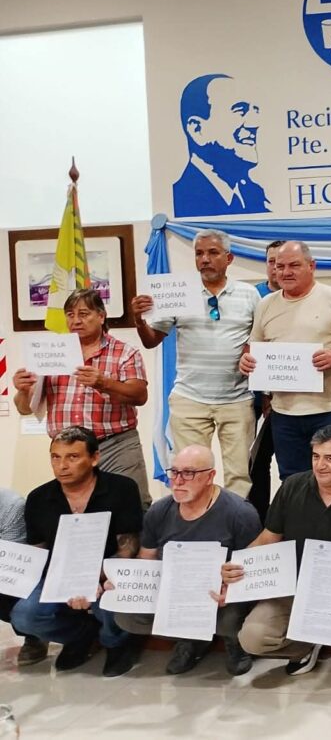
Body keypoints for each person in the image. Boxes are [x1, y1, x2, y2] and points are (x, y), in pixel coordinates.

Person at [222, 426, 331, 685]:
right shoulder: (292, 487)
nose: (320, 465)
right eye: (316, 456)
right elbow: (267, 539)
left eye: (330, 458)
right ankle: (305, 646)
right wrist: (235, 565)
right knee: (252, 638)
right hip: (295, 582)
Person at [131, 229, 261, 497]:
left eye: (213, 253)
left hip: (236, 399)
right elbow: (152, 341)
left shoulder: (249, 294)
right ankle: (195, 520)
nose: (205, 259)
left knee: (239, 474)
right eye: (199, 253)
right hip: (189, 399)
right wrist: (138, 320)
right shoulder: (179, 292)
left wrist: (249, 350)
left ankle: (236, 521)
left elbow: (261, 337)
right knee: (189, 472)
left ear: (229, 258)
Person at [110, 445, 261, 676]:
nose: (178, 481)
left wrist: (231, 591)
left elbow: (254, 568)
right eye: (174, 472)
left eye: (188, 473)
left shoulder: (240, 513)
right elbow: (147, 559)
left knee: (230, 618)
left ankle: (233, 640)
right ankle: (190, 639)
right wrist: (127, 583)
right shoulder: (159, 511)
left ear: (210, 476)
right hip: (177, 593)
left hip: (221, 596)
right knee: (126, 616)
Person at [11, 426, 144, 677]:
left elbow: (128, 547)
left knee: (111, 600)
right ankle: (80, 636)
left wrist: (95, 578)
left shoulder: (121, 488)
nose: (62, 466)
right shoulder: (38, 498)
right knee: (24, 615)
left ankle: (116, 642)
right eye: (56, 457)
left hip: (109, 571)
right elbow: (38, 552)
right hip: (59, 574)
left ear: (94, 458)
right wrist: (63, 583)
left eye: (72, 457)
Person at [240, 240, 331, 481]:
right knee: (292, 480)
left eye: (294, 265)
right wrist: (246, 361)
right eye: (280, 266)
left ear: (312, 266)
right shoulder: (266, 305)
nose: (286, 272)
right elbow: (252, 348)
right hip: (284, 413)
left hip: (330, 410)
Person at [13, 288, 152, 508]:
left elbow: (139, 395)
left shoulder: (125, 352)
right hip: (68, 450)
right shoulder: (50, 352)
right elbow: (24, 408)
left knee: (132, 506)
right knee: (76, 509)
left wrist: (104, 383)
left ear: (101, 316)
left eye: (84, 314)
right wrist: (22, 390)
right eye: (70, 315)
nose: (76, 320)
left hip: (115, 445)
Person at [172, 73, 269, 218]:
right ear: (197, 130)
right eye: (240, 111)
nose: (255, 124)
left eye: (255, 111)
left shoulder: (256, 196)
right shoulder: (182, 199)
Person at [248, 239, 285, 520]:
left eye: (282, 262)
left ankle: (285, 516)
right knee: (254, 461)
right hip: (252, 395)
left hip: (289, 396)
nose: (277, 267)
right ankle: (257, 519)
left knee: (288, 461)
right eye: (272, 261)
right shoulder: (255, 297)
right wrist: (263, 394)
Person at [0, 488, 48, 666]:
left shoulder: (11, 506)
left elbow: (10, 562)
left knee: (7, 590)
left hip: (14, 571)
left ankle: (34, 636)